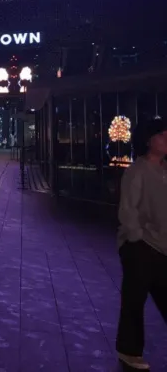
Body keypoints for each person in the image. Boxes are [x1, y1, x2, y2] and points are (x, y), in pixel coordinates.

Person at [116, 118, 167, 371]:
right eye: (162, 135)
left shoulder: (164, 170)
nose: (166, 139)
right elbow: (128, 209)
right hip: (142, 245)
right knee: (134, 300)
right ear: (149, 141)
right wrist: (136, 237)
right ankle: (129, 350)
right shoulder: (137, 171)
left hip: (162, 245)